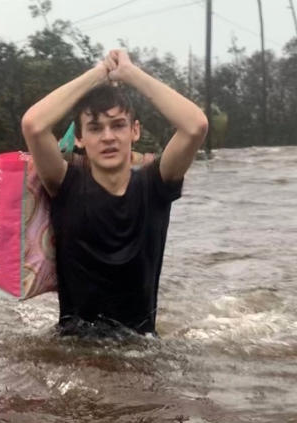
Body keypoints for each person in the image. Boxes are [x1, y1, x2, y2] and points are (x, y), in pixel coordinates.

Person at [21, 49, 208, 336]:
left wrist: (131, 75)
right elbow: (34, 125)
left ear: (135, 131)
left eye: (118, 125)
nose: (108, 136)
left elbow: (195, 126)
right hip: (73, 347)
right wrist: (98, 73)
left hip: (142, 347)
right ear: (80, 139)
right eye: (95, 128)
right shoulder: (64, 183)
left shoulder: (155, 185)